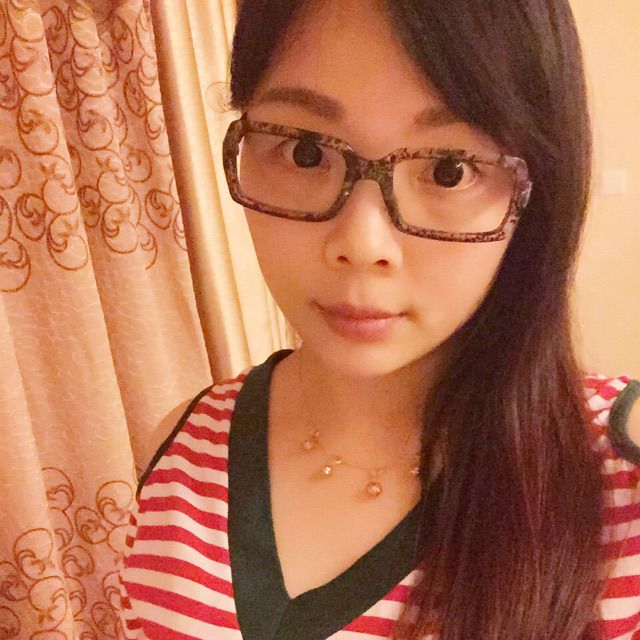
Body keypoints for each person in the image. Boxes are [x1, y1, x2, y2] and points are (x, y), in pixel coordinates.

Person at [117, 1, 640, 639]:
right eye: (305, 152)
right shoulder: (181, 447)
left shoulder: (615, 484)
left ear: (535, 193)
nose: (362, 244)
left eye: (449, 170)